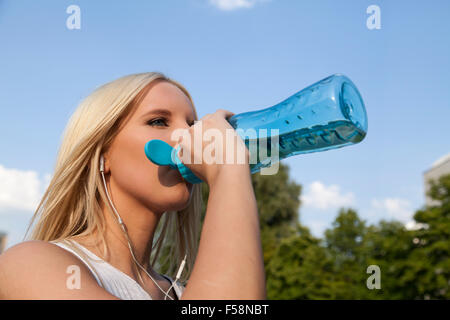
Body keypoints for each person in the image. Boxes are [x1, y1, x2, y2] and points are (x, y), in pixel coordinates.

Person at [0, 72, 266, 300]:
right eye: (159, 121)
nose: (189, 137)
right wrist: (229, 169)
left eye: (192, 125)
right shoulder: (29, 264)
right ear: (102, 155)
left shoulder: (185, 292)